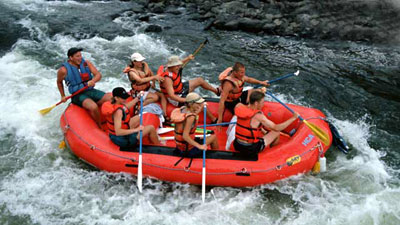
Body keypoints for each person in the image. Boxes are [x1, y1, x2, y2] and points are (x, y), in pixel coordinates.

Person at [57, 47, 112, 127]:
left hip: (90, 90)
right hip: (77, 95)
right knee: (93, 107)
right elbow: (59, 82)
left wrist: (93, 81)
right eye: (77, 56)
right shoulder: (63, 70)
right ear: (71, 58)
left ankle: (113, 122)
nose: (80, 58)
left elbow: (98, 75)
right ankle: (99, 126)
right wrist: (62, 96)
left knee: (112, 99)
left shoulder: (86, 63)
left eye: (80, 55)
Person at [233, 91, 299, 157]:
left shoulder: (239, 106)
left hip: (237, 144)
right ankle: (272, 155)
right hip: (250, 149)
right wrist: (293, 118)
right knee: (276, 132)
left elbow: (249, 125)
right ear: (256, 103)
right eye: (262, 102)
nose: (263, 104)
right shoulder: (259, 116)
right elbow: (276, 128)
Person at [159, 55, 219, 121]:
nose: (179, 67)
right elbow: (172, 95)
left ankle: (216, 91)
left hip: (180, 89)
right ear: (171, 66)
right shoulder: (168, 79)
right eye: (177, 66)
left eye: (179, 65)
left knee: (200, 80)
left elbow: (178, 64)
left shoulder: (172, 68)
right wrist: (186, 100)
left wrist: (188, 58)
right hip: (177, 98)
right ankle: (214, 119)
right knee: (201, 103)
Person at [171, 92, 218, 157]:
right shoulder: (191, 117)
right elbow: (185, 136)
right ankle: (217, 157)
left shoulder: (183, 109)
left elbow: (193, 114)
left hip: (180, 147)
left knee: (205, 137)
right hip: (188, 150)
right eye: (198, 103)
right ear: (191, 104)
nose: (199, 105)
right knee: (213, 137)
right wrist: (200, 146)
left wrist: (201, 106)